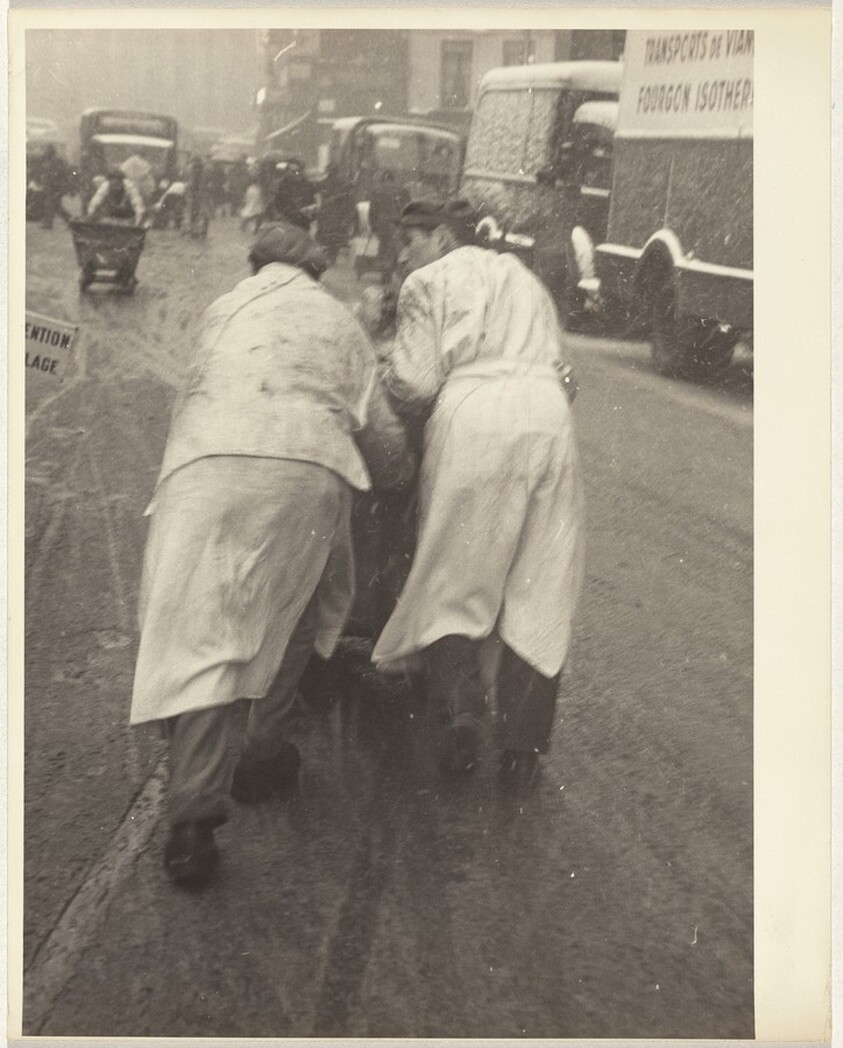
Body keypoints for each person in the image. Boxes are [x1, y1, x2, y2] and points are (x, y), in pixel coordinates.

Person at [130, 221, 415, 888]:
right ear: (314, 272)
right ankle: (258, 748)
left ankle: (193, 821)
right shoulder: (341, 323)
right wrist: (400, 480)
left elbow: (194, 398)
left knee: (201, 634)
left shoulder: (223, 309)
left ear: (254, 263)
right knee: (285, 621)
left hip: (202, 468)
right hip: (305, 473)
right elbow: (386, 445)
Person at [369, 199, 585, 790]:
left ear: (442, 237)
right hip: (548, 418)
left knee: (454, 574)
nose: (404, 251)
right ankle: (521, 744)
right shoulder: (525, 278)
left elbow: (414, 385)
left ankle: (463, 716)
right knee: (540, 579)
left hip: (473, 418)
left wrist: (382, 365)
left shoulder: (427, 280)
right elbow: (568, 375)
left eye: (411, 238)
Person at [368, 170, 410, 274]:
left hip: (382, 223)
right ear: (393, 180)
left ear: (383, 180)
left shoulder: (377, 191)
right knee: (395, 246)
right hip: (397, 223)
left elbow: (372, 210)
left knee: (383, 245)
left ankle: (383, 268)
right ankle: (392, 268)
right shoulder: (402, 191)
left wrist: (372, 225)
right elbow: (408, 208)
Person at [36, 144, 72, 229]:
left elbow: (56, 175)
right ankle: (70, 221)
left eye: (47, 150)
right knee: (55, 207)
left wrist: (53, 184)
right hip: (53, 187)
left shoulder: (55, 161)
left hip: (55, 188)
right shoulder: (52, 161)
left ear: (50, 152)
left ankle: (49, 223)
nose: (45, 152)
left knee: (50, 205)